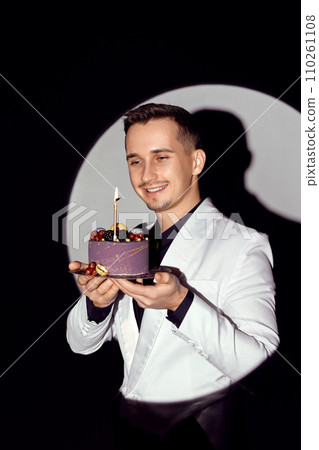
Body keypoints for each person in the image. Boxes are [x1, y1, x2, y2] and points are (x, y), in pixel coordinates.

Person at [67, 103, 279, 449]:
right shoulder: (126, 243)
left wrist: (181, 302)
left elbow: (261, 365)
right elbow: (80, 344)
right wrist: (96, 304)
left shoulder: (243, 245)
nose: (146, 175)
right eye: (135, 160)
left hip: (195, 437)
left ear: (196, 161)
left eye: (161, 157)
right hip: (126, 431)